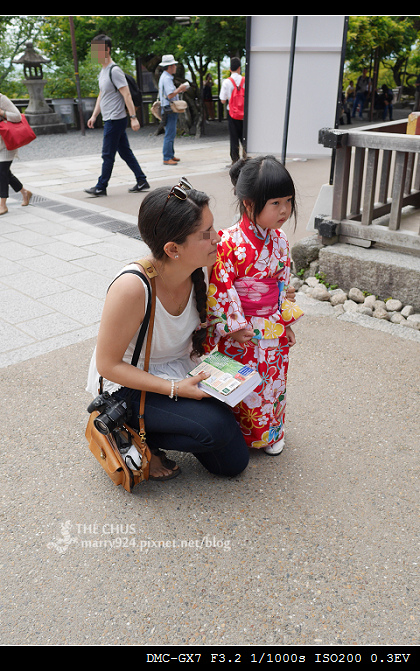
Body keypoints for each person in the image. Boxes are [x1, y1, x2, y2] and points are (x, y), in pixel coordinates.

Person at [86, 178, 249, 481]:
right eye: (206, 233)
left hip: (182, 367)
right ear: (173, 248)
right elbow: (107, 365)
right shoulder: (132, 288)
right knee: (218, 428)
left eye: (213, 227)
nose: (218, 238)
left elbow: (244, 291)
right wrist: (175, 390)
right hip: (131, 383)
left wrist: (280, 298)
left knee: (232, 464)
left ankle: (165, 426)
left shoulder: (203, 263)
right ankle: (139, 435)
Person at [205, 156, 304, 456]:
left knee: (273, 383)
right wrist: (232, 327)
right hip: (242, 330)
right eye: (275, 203)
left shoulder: (281, 241)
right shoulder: (227, 241)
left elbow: (283, 286)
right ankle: (238, 435)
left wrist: (285, 324)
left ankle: (270, 433)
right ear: (249, 204)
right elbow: (220, 285)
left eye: (288, 201)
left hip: (271, 324)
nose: (285, 210)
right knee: (244, 385)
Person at [84, 34, 149, 197]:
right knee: (125, 152)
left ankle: (101, 186)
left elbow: (126, 95)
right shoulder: (103, 71)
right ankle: (142, 180)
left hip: (116, 119)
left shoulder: (115, 71)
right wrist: (94, 115)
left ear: (107, 49)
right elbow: (102, 95)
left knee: (107, 154)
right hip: (109, 118)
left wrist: (133, 118)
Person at [0, 93, 32, 215]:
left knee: (1, 172)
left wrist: (2, 112)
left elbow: (17, 116)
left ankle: (2, 205)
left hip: (6, 142)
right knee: (6, 173)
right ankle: (24, 192)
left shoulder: (1, 99)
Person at [158, 55, 190, 166]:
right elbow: (170, 95)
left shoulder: (165, 77)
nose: (175, 67)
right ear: (170, 66)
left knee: (170, 132)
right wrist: (180, 88)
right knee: (170, 133)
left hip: (167, 107)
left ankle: (170, 155)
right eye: (174, 65)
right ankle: (167, 157)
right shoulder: (166, 78)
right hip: (169, 108)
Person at [219, 57, 246, 164]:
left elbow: (222, 100)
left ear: (230, 69)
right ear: (240, 68)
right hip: (244, 113)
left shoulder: (226, 82)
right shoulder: (245, 80)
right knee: (244, 136)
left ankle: (235, 160)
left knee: (234, 137)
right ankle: (246, 157)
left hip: (232, 113)